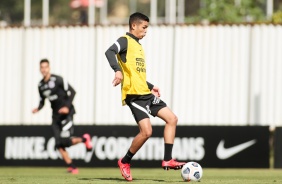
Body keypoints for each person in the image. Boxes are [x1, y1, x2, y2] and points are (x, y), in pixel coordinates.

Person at [105, 12, 185, 181]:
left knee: (172, 119)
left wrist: (151, 86)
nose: (146, 31)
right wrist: (117, 70)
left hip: (145, 92)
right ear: (134, 26)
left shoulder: (139, 46)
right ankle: (125, 161)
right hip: (134, 95)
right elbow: (109, 51)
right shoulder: (125, 40)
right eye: (144, 27)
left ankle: (168, 159)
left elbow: (135, 73)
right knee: (147, 132)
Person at [32, 59, 92, 174]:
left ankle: (85, 139)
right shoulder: (41, 85)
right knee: (58, 143)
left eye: (46, 67)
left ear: (49, 68)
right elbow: (42, 101)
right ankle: (72, 166)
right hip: (55, 116)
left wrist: (67, 107)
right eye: (42, 67)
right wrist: (37, 108)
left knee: (64, 141)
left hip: (67, 114)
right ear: (40, 69)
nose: (44, 69)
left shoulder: (58, 79)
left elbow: (73, 92)